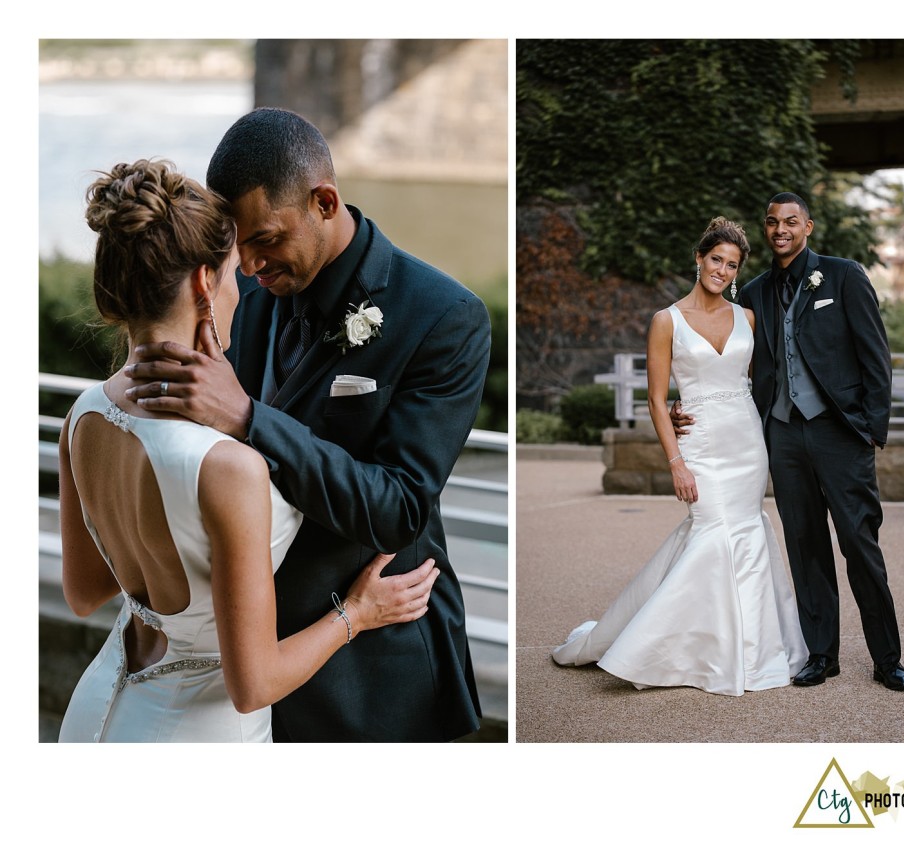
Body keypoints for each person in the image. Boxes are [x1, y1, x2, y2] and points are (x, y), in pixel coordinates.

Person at [123, 108, 492, 741]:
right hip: (258, 657)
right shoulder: (251, 298)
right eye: (236, 244)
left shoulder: (445, 318)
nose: (247, 264)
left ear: (325, 201)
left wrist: (246, 417)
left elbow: (399, 508)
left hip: (374, 672)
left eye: (264, 238)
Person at [58, 159, 440, 743]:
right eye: (234, 272)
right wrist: (357, 615)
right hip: (195, 734)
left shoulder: (81, 415)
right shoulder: (229, 465)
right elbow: (253, 685)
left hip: (99, 708)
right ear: (204, 284)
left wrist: (159, 558)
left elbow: (85, 594)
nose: (245, 287)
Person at [551, 218, 807, 696]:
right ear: (698, 258)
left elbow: (756, 380)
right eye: (716, 260)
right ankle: (667, 649)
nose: (723, 271)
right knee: (710, 532)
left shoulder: (747, 318)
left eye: (732, 265)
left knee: (747, 533)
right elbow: (654, 398)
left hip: (746, 442)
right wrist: (676, 461)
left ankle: (749, 652)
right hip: (700, 444)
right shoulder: (665, 321)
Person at [673, 193, 904, 691]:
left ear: (807, 225)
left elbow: (876, 354)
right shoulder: (754, 295)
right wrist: (684, 407)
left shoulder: (843, 275)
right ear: (765, 229)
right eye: (771, 222)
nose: (780, 229)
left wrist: (872, 428)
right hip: (782, 436)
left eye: (790, 221)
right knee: (805, 548)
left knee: (858, 543)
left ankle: (887, 658)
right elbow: (729, 363)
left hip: (840, 433)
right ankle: (821, 654)